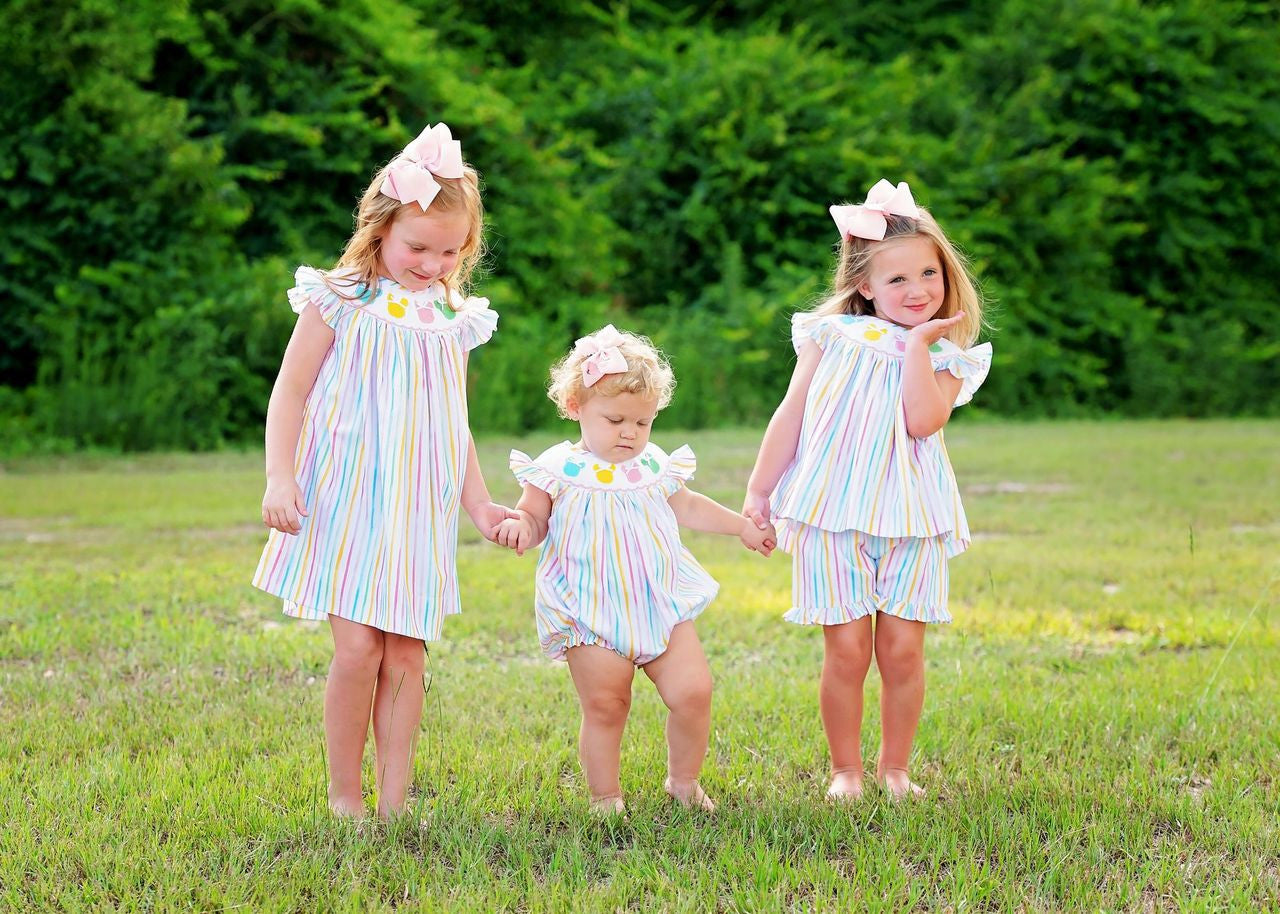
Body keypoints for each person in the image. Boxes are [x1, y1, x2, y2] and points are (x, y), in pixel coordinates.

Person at [252, 123, 514, 819]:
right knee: (360, 649)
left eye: (449, 251)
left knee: (408, 658)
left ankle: (395, 802)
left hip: (416, 507)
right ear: (379, 231)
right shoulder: (339, 298)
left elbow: (452, 424)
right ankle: (346, 796)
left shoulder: (453, 319)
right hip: (345, 496)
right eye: (417, 247)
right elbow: (291, 392)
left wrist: (482, 506)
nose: (431, 264)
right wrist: (281, 477)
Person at [743, 180, 991, 801]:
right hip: (833, 512)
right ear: (864, 286)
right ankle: (846, 770)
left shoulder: (950, 355)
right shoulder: (828, 336)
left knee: (903, 652)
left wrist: (917, 347)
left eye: (929, 274)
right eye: (899, 280)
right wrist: (759, 493)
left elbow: (921, 420)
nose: (918, 291)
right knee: (848, 650)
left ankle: (896, 768)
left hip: (914, 517)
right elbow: (790, 415)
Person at [497, 325, 776, 814]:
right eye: (615, 419)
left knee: (694, 692)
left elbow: (687, 507)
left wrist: (741, 528)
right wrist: (521, 525)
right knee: (607, 705)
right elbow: (534, 516)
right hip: (590, 610)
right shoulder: (557, 468)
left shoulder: (653, 466)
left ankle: (683, 782)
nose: (630, 432)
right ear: (575, 407)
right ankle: (606, 797)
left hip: (658, 601)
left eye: (643, 423)